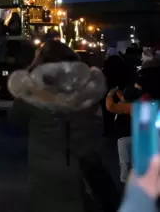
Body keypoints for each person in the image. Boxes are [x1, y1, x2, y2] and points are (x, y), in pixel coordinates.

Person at [8, 40, 108, 212]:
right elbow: (97, 126)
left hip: (43, 169)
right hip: (79, 166)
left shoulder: (32, 95)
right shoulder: (84, 94)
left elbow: (15, 120)